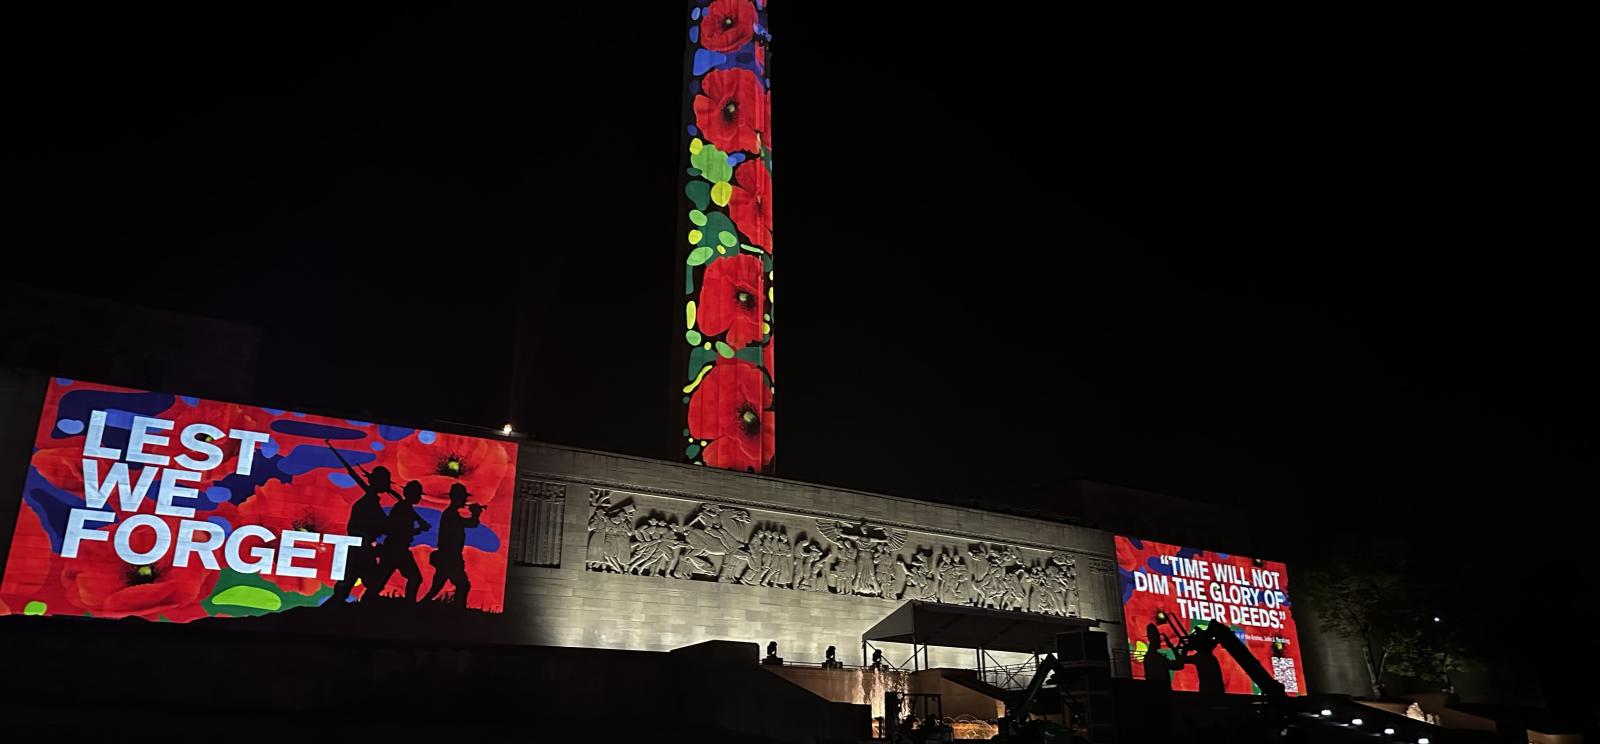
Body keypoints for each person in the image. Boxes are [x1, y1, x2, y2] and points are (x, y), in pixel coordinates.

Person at [330, 462, 398, 603]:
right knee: (353, 587)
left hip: (361, 550)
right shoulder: (367, 504)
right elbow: (380, 526)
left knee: (357, 586)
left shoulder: (371, 502)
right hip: (361, 551)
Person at [366, 480, 430, 602]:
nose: (419, 497)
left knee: (380, 581)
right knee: (413, 578)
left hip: (396, 549)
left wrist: (418, 528)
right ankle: (408, 605)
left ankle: (367, 601)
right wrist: (419, 529)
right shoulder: (403, 508)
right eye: (417, 494)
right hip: (396, 549)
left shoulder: (405, 508)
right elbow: (400, 531)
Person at [421, 483, 484, 605]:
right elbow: (471, 523)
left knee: (436, 588)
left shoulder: (451, 514)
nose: (465, 500)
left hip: (448, 557)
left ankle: (420, 606)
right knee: (463, 585)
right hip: (450, 557)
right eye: (463, 497)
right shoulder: (451, 514)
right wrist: (476, 514)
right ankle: (458, 611)